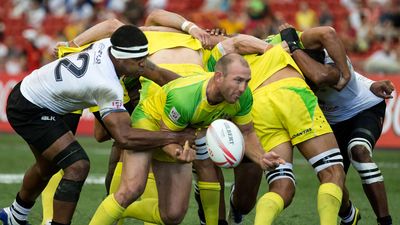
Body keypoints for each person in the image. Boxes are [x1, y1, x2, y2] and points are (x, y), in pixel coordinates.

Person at [132, 10, 347, 225]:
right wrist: (274, 50)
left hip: (249, 102)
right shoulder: (169, 38)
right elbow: (156, 17)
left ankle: (220, 216)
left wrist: (193, 31)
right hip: (286, 93)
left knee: (270, 183)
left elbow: (234, 43)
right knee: (331, 171)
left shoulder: (204, 49)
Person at [0, 25, 195, 225]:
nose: (144, 65)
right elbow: (124, 137)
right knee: (77, 166)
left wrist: (197, 90)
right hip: (29, 107)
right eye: (138, 62)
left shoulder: (110, 45)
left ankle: (15, 215)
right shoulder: (106, 85)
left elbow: (159, 75)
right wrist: (175, 137)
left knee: (47, 166)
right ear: (120, 60)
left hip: (40, 95)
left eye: (144, 58)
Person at [88, 53, 284, 225]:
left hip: (183, 130)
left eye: (247, 81)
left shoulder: (243, 97)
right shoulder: (186, 98)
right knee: (132, 189)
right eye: (238, 80)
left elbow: (247, 132)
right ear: (219, 77)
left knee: (172, 216)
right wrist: (178, 152)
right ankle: (117, 208)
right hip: (149, 122)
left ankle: (122, 211)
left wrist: (261, 157)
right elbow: (166, 137)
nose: (243, 88)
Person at [275, 24, 394, 225]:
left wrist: (293, 45)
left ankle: (385, 221)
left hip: (364, 108)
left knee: (358, 150)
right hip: (332, 121)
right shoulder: (297, 63)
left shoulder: (329, 65)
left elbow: (321, 75)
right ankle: (349, 215)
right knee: (330, 176)